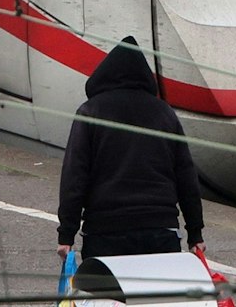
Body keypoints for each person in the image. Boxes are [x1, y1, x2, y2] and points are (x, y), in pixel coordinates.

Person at [56, 36, 203, 260]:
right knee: (156, 295)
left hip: (105, 232)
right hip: (160, 229)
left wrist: (66, 234)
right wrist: (195, 233)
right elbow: (186, 176)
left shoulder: (90, 112)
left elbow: (74, 177)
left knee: (107, 295)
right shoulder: (164, 113)